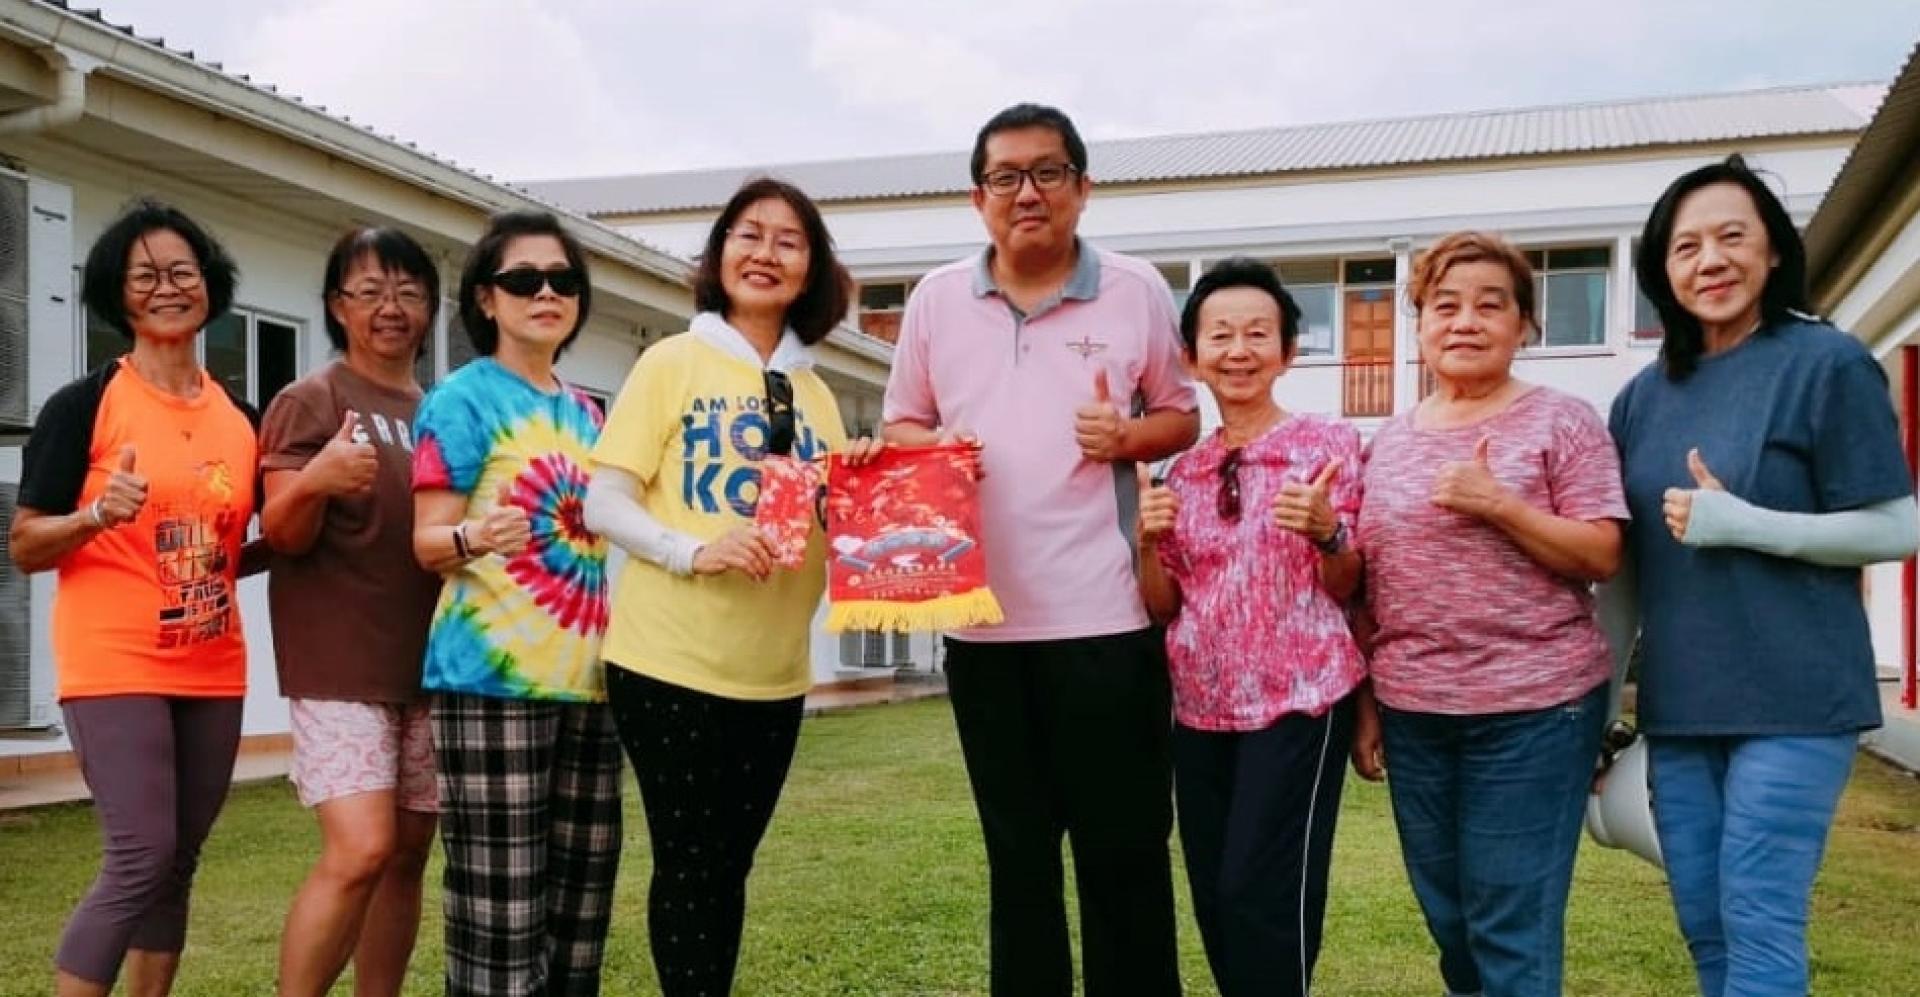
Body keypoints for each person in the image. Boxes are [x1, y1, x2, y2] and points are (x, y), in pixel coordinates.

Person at [881, 102, 1200, 997]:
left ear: (1082, 188)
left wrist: (1126, 437)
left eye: (1048, 172)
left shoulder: (1135, 288)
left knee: (1124, 855)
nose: (1028, 193)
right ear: (977, 198)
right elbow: (901, 422)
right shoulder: (936, 299)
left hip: (1108, 621)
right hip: (981, 627)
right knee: (1018, 860)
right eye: (1006, 177)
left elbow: (1182, 414)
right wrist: (938, 448)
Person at [1610, 154, 1918, 997]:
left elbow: (1900, 526)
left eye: (1732, 237)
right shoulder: (1641, 397)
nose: (1710, 260)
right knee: (1705, 926)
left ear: (1773, 250)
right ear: (1662, 269)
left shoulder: (1828, 363)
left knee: (1758, 918)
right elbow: (1625, 570)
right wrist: (1600, 719)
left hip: (1797, 699)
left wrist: (1744, 523)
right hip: (1681, 708)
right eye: (1686, 247)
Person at [584, 175, 880, 996]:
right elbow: (604, 500)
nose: (765, 252)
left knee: (728, 864)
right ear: (719, 254)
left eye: (789, 240)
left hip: (774, 672)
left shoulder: (818, 395)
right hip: (668, 662)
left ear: (813, 269)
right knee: (691, 860)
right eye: (749, 234)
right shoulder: (670, 362)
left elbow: (834, 533)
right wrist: (693, 550)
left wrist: (864, 489)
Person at [1358, 230, 1626, 997]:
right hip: (1415, 710)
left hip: (1534, 709)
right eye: (1445, 305)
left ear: (1524, 324)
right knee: (1450, 920)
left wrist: (1499, 504)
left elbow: (1602, 552)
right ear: (1420, 323)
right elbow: (1373, 584)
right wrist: (1369, 704)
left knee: (1509, 925)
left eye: (1490, 304)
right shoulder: (1388, 441)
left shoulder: (1562, 421)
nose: (1465, 321)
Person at [10, 199, 256, 997]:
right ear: (117, 295)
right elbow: (25, 544)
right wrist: (94, 515)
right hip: (114, 661)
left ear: (210, 285)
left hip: (212, 664)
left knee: (177, 861)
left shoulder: (241, 419)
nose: (167, 287)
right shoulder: (82, 405)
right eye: (145, 276)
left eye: (183, 271)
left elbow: (227, 551)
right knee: (141, 852)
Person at [1134, 257, 1365, 997]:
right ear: (1192, 356)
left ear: (1287, 351)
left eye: (1259, 333)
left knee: (1261, 891)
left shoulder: (1329, 448)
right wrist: (1147, 542)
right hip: (1200, 709)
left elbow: (1348, 584)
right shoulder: (1181, 472)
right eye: (1221, 335)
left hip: (1300, 701)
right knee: (1214, 892)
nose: (1239, 350)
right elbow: (1163, 605)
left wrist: (1328, 532)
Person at [410, 211, 619, 997]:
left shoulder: (590, 413)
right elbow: (425, 541)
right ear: (486, 298)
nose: (546, 293)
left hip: (589, 683)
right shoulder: (462, 399)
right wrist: (476, 535)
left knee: (580, 910)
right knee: (500, 913)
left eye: (563, 280)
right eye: (524, 279)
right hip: (490, 680)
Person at [264, 227, 443, 997]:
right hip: (339, 663)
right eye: (369, 292)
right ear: (338, 306)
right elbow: (281, 531)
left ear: (431, 307)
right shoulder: (313, 399)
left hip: (430, 663)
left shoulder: (440, 409)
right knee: (361, 847)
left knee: (406, 853)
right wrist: (317, 479)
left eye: (407, 292)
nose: (390, 307)